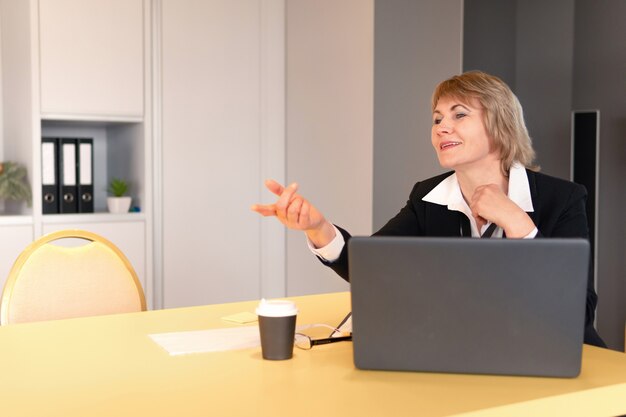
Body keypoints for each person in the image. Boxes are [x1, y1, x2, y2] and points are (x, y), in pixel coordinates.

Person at [251, 70, 606, 347]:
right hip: (469, 359)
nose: (442, 127)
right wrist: (318, 227)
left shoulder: (563, 199)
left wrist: (518, 223)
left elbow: (577, 316)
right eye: (437, 119)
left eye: (459, 114)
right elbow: (372, 266)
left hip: (560, 365)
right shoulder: (428, 197)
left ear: (500, 126)